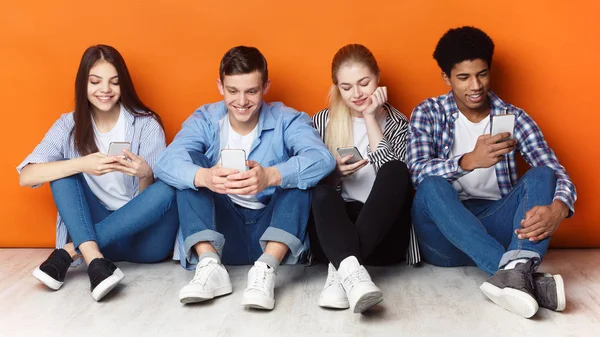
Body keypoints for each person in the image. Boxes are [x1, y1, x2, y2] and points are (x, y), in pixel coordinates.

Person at [407, 26, 577, 318]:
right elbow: (415, 172)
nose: (475, 86)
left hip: (496, 226)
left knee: (543, 176)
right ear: (446, 78)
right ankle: (521, 275)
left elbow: (554, 170)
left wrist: (561, 207)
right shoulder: (429, 112)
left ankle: (514, 272)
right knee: (432, 185)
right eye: (463, 77)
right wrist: (467, 161)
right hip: (443, 241)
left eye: (482, 74)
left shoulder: (514, 117)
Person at [154, 46, 336, 310]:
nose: (241, 101)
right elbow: (165, 163)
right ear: (220, 86)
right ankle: (209, 267)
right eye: (233, 91)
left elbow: (323, 159)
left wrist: (272, 176)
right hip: (221, 236)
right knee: (190, 167)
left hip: (273, 238)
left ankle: (265, 270)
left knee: (298, 175)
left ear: (265, 86)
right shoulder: (205, 118)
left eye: (251, 91)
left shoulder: (288, 118)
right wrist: (205, 177)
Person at [17, 45, 179, 301]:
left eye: (114, 82)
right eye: (96, 81)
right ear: (83, 84)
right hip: (99, 243)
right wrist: (81, 164)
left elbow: (152, 207)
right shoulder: (67, 125)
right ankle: (96, 262)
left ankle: (71, 251)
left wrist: (145, 175)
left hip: (145, 242)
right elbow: (26, 175)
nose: (105, 90)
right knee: (61, 171)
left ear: (123, 85)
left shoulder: (146, 125)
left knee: (169, 187)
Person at [309, 44, 419, 314]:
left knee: (395, 170)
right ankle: (351, 271)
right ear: (336, 87)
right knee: (321, 193)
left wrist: (370, 116)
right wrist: (334, 174)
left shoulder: (399, 124)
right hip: (332, 235)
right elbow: (308, 183)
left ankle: (341, 270)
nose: (356, 94)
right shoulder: (321, 122)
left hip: (384, 240)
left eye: (364, 83)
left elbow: (394, 179)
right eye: (346, 87)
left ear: (378, 78)